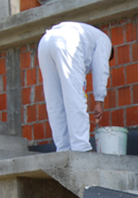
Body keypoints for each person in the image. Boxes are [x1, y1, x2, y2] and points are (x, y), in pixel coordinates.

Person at [38, 22, 113, 152]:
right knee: (75, 98)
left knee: (55, 101)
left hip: (45, 42)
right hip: (67, 42)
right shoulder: (105, 41)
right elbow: (101, 68)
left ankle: (63, 148)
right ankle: (81, 147)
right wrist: (99, 100)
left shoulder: (90, 36)